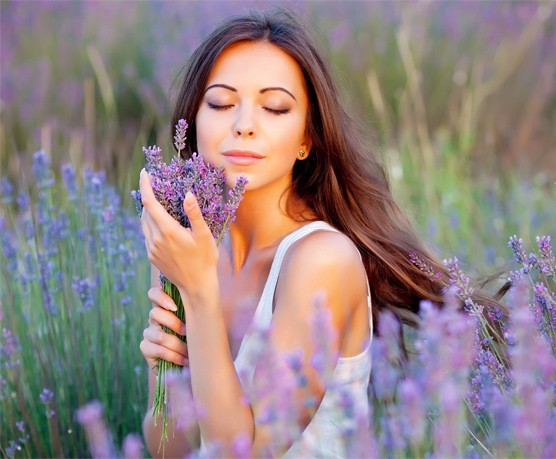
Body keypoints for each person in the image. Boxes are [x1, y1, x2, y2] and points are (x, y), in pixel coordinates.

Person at [137, 9, 506, 458]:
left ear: (305, 139)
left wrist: (199, 296)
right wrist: (165, 372)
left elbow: (241, 452)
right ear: (192, 125)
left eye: (274, 107)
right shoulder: (191, 252)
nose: (244, 124)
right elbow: (169, 450)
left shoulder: (321, 259)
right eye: (220, 103)